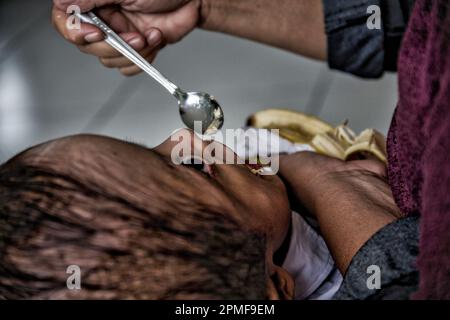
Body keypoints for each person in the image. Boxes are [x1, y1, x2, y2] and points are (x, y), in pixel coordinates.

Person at [51, 0, 450, 299]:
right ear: (274, 287)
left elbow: (421, 22)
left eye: (144, 149)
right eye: (193, 167)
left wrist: (203, 5)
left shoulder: (253, 167)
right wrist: (330, 186)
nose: (183, 139)